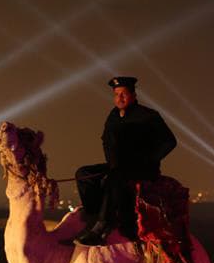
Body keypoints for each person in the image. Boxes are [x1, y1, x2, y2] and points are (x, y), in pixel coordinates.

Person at [73, 76, 177, 246]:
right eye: (116, 94)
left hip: (141, 168)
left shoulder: (148, 116)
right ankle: (93, 215)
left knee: (116, 177)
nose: (119, 98)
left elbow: (170, 142)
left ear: (134, 95)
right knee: (83, 174)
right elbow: (106, 141)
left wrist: (149, 160)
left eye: (124, 94)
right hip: (117, 166)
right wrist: (111, 162)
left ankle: (102, 226)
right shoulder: (113, 115)